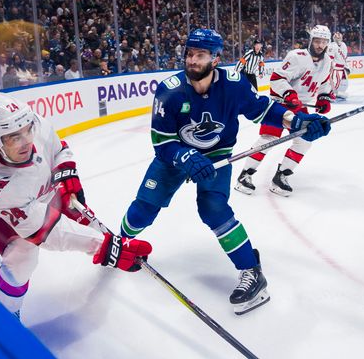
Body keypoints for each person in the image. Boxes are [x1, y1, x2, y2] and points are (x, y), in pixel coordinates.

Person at [119, 29, 331, 315]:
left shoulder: (234, 85)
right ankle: (120, 242)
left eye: (201, 55)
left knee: (213, 208)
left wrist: (298, 120)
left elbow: (262, 108)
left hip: (216, 154)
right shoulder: (169, 90)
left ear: (216, 59)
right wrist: (184, 155)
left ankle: (251, 271)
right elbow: (162, 142)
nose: (193, 60)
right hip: (175, 155)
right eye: (190, 54)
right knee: (144, 207)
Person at [0, 93, 152, 319]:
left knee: (80, 217)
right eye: (15, 137)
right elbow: (48, 232)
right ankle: (7, 315)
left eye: (27, 130)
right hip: (0, 214)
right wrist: (106, 248)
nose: (27, 140)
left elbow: (58, 148)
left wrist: (66, 174)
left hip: (35, 196)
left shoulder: (30, 123)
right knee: (22, 257)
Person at [234, 25, 336, 197]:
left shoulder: (328, 62)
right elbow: (276, 79)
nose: (320, 45)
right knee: (268, 139)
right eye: (317, 41)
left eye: (324, 42)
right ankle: (245, 175)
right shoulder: (297, 56)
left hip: (300, 106)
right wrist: (289, 93)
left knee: (304, 141)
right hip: (280, 104)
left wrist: (323, 98)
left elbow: (324, 83)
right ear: (311, 40)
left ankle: (281, 177)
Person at [328, 31, 349, 100]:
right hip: (335, 68)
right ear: (334, 38)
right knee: (334, 82)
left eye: (340, 37)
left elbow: (344, 57)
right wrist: (330, 67)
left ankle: (333, 93)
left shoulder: (343, 45)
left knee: (338, 82)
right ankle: (330, 94)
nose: (339, 38)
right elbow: (330, 58)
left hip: (341, 68)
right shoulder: (332, 45)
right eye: (337, 37)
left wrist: (346, 66)